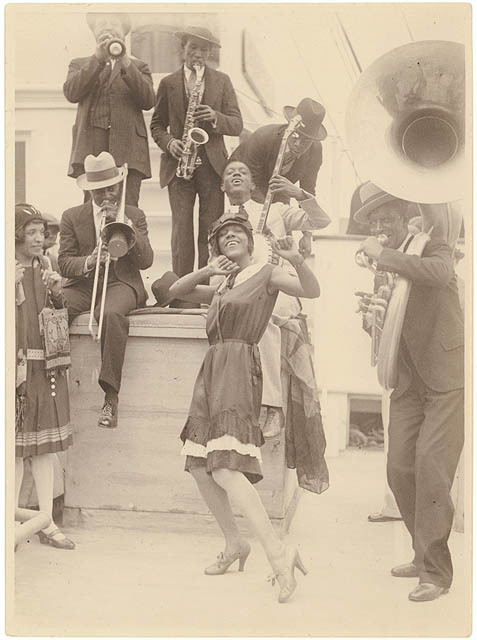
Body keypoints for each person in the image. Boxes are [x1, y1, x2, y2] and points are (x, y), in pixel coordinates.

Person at [168, 210, 324, 603]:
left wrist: (295, 258)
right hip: (211, 371)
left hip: (239, 369)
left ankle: (278, 553)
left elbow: (312, 291)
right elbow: (174, 291)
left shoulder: (265, 274)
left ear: (250, 243)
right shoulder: (222, 284)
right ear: (217, 246)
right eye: (223, 235)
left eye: (238, 232)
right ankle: (234, 544)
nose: (230, 237)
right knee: (201, 467)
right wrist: (208, 271)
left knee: (224, 465)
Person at [354, 182, 464, 602]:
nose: (380, 229)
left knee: (432, 466)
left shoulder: (434, 247)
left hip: (445, 373)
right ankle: (422, 555)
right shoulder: (388, 264)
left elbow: (439, 275)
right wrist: (371, 318)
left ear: (404, 218)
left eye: (386, 220)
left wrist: (383, 255)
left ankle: (436, 573)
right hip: (408, 380)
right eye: (374, 224)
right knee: (400, 467)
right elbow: (389, 328)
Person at [220, 159, 330, 436]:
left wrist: (298, 194)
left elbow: (321, 221)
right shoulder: (221, 223)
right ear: (222, 186)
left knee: (263, 315)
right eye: (230, 172)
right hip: (241, 290)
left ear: (253, 184)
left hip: (278, 289)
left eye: (242, 171)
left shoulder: (277, 211)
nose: (236, 174)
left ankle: (271, 404)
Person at [58, 152, 154, 429]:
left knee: (109, 314)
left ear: (119, 186)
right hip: (85, 284)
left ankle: (110, 397)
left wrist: (128, 226)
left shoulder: (135, 214)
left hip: (120, 282)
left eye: (111, 188)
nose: (107, 195)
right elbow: (64, 262)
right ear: (90, 191)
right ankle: (52, 381)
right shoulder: (71, 216)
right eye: (100, 191)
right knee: (56, 309)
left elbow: (146, 261)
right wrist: (90, 260)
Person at [150, 26, 243, 279]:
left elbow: (236, 123)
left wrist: (215, 117)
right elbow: (157, 125)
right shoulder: (168, 83)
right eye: (193, 48)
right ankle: (181, 293)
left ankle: (206, 288)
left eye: (203, 50)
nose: (198, 55)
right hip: (179, 164)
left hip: (212, 167)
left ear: (210, 53)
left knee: (211, 231)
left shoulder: (222, 81)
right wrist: (170, 143)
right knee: (181, 232)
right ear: (183, 50)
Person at [15, 204, 75, 550]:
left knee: (44, 451)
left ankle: (47, 523)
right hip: (17, 371)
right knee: (12, 454)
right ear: (17, 235)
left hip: (45, 369)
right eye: (33, 232)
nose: (41, 239)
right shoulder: (9, 270)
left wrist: (55, 290)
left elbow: (55, 317)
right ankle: (13, 526)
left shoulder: (46, 268)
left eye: (43, 232)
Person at [64, 12, 155, 207]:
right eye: (101, 23)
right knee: (92, 208)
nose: (107, 27)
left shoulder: (138, 66)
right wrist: (97, 59)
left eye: (114, 23)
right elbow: (71, 93)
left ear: (124, 33)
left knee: (128, 207)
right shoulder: (79, 64)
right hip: (91, 148)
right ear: (94, 32)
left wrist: (125, 62)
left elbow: (148, 100)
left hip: (128, 150)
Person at [229, 98, 327, 258]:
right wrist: (272, 219)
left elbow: (307, 190)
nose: (299, 144)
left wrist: (307, 236)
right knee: (259, 226)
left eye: (306, 140)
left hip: (279, 184)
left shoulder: (315, 151)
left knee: (281, 229)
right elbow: (251, 183)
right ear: (289, 127)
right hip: (243, 178)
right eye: (296, 136)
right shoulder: (264, 136)